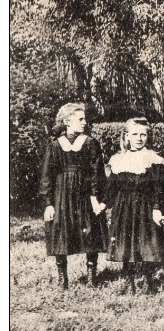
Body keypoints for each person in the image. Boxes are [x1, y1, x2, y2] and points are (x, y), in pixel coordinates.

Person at [39, 102, 108, 289]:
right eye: (80, 119)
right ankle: (63, 278)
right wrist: (48, 203)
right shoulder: (54, 146)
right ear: (67, 121)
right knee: (60, 231)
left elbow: (97, 172)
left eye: (85, 118)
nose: (85, 122)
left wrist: (95, 196)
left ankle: (91, 277)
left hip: (84, 195)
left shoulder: (90, 143)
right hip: (61, 196)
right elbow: (47, 176)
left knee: (90, 231)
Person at [106, 118, 164, 294]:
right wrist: (104, 203)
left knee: (147, 243)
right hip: (124, 208)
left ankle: (150, 281)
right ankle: (129, 281)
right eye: (135, 134)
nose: (139, 138)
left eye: (143, 134)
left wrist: (157, 207)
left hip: (146, 207)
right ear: (126, 136)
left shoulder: (153, 159)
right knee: (126, 243)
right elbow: (112, 186)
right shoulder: (118, 159)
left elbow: (161, 187)